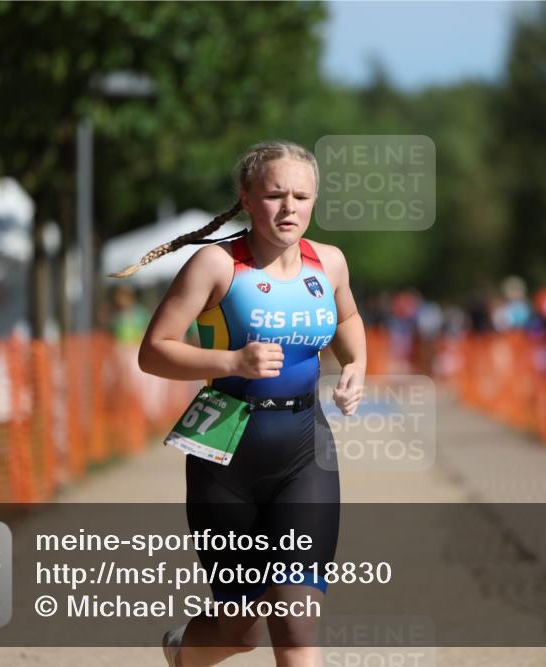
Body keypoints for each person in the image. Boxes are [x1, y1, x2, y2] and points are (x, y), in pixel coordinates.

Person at [112, 140, 366, 667]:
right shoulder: (217, 264)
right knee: (242, 626)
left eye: (301, 195)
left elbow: (347, 321)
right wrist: (232, 364)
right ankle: (185, 654)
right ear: (247, 198)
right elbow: (153, 352)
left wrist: (357, 366)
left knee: (297, 621)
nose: (289, 207)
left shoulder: (331, 263)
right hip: (225, 452)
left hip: (305, 450)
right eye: (275, 194)